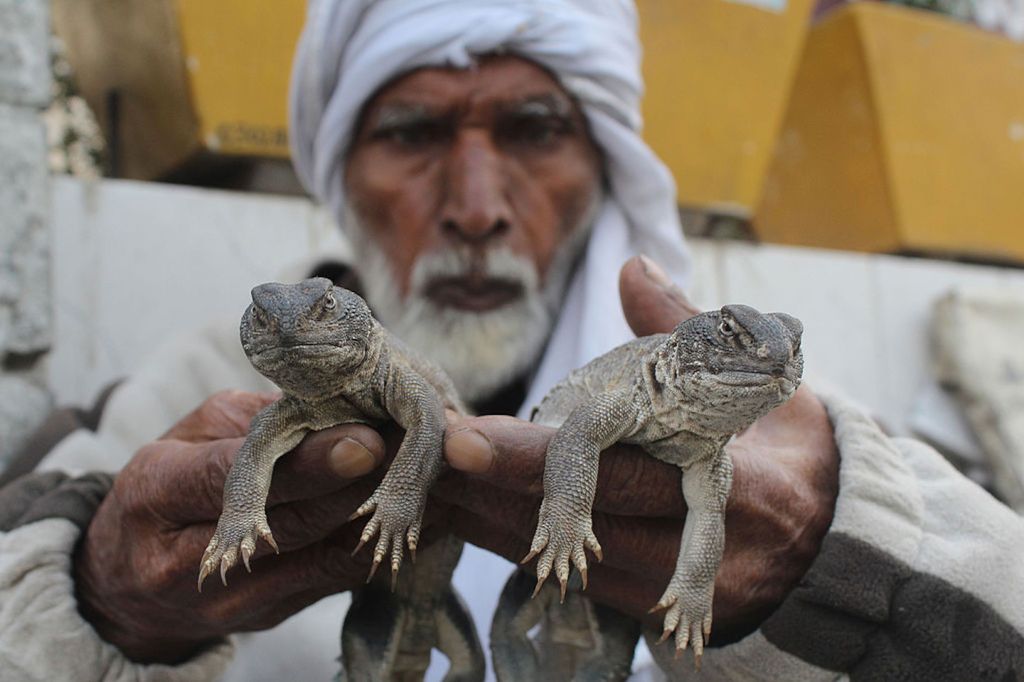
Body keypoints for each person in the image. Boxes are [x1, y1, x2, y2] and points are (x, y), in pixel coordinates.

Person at [1, 1, 1021, 680]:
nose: (478, 207)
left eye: (534, 130)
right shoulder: (175, 403)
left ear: (605, 162)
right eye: (412, 133)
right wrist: (97, 600)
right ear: (337, 170)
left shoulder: (785, 430)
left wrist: (846, 564)